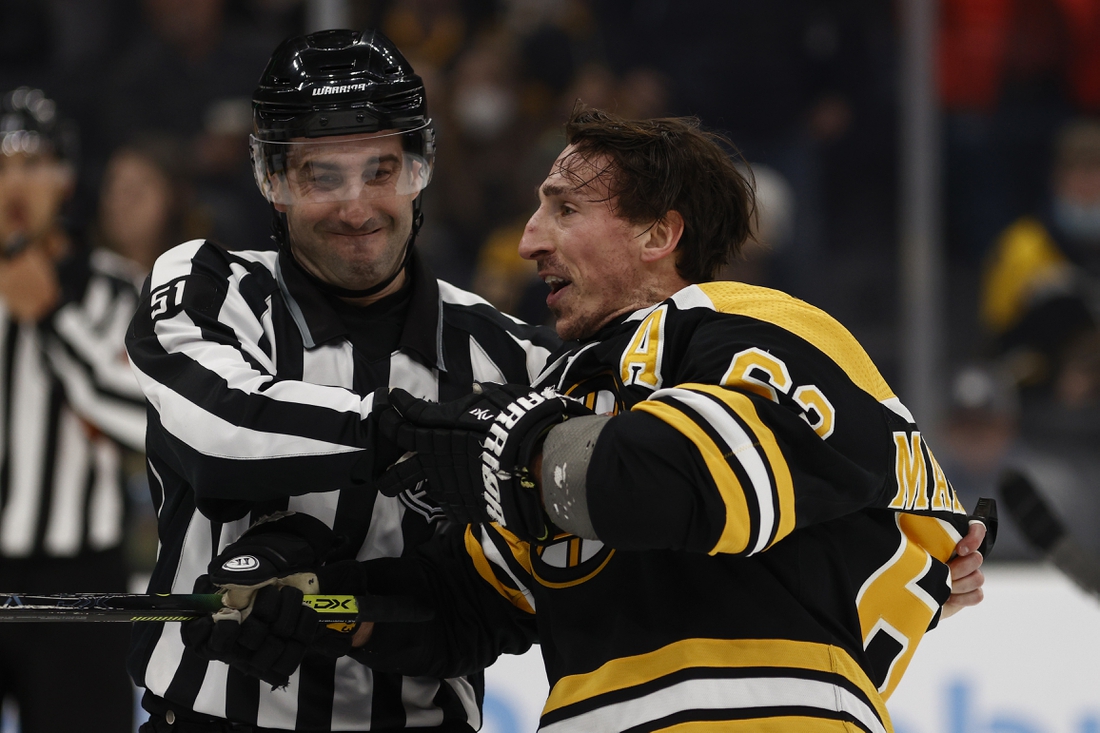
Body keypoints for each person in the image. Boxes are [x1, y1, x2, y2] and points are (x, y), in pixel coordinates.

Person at [344, 107, 993, 732]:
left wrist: (516, 445)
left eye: (565, 209)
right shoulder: (574, 385)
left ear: (659, 234)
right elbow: (465, 603)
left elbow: (685, 479)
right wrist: (329, 604)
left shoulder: (749, 322)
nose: (528, 240)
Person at [123, 28, 559, 732]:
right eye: (321, 176)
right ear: (273, 182)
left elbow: (527, 568)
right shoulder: (210, 285)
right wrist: (403, 433)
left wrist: (365, 608)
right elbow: (220, 430)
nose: (356, 208)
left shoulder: (509, 354)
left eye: (381, 171)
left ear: (421, 169)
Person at [0, 86, 147, 732]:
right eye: (1, 166)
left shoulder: (115, 287)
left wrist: (52, 315)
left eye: (32, 163)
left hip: (81, 578)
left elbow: (146, 420)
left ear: (64, 179)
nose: (15, 183)